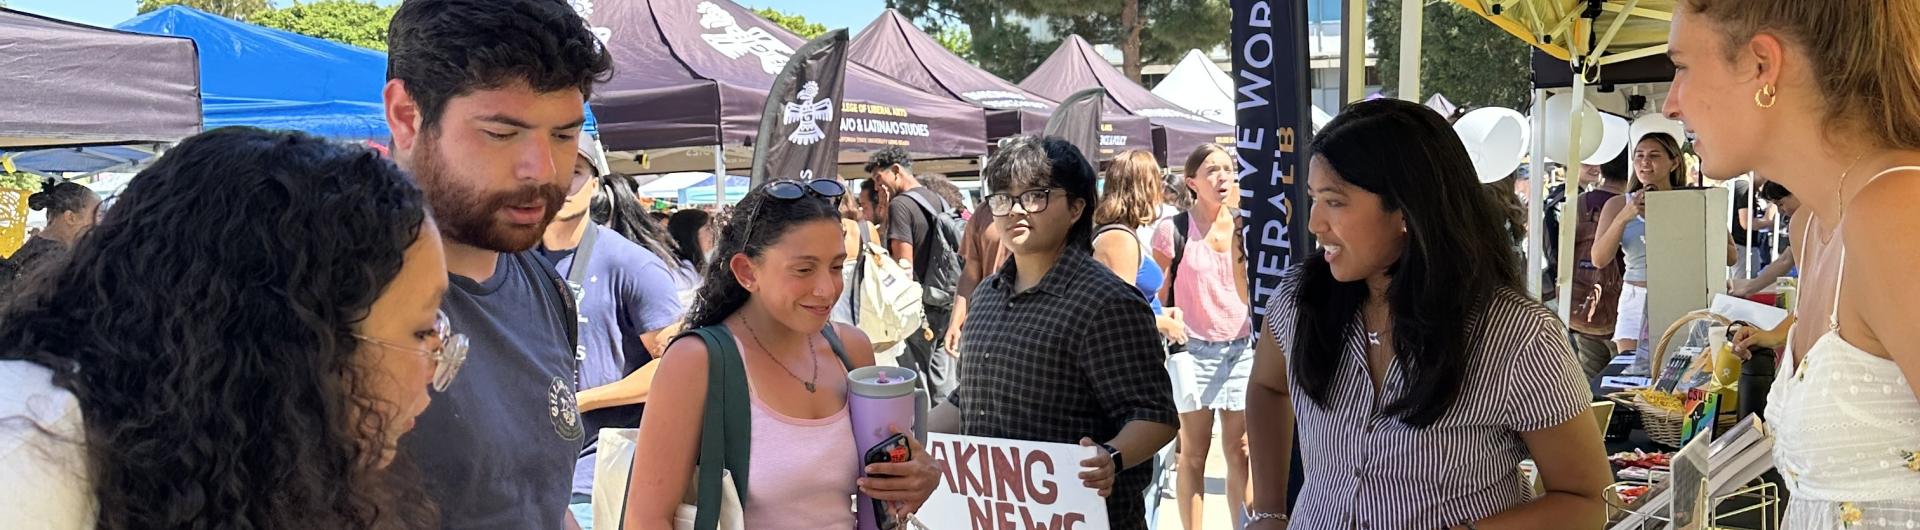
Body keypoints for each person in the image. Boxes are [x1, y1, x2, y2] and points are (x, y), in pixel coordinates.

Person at [0, 127, 454, 528]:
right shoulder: (26, 464)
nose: (437, 366)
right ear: (291, 341)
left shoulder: (232, 448)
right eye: (421, 332)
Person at [1244, 99, 1610, 530]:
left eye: (1335, 202)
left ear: (1406, 209)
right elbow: (1268, 387)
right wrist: (1268, 511)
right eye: (1313, 198)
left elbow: (1590, 500)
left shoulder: (1515, 335)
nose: (1315, 223)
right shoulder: (1299, 299)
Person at [1669, 1, 1920, 525]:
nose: (1672, 104)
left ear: (1761, 64)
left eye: (1683, 67)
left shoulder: (1897, 211)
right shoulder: (1813, 227)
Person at [380, 0, 613, 527]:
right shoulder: (333, 293)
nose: (542, 169)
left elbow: (541, 502)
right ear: (406, 116)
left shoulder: (545, 287)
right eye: (502, 134)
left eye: (564, 135)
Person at [621, 179, 940, 528]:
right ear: (746, 272)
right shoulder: (699, 361)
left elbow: (880, 490)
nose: (827, 289)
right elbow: (646, 518)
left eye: (836, 267)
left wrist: (920, 477)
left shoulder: (851, 349)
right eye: (804, 269)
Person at [929, 135, 1179, 530]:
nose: (1015, 210)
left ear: (1077, 207)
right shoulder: (987, 295)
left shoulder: (1107, 302)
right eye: (1002, 198)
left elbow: (1156, 415)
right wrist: (909, 433)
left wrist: (1111, 457)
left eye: (1035, 196)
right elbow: (971, 399)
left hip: (1089, 518)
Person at [540, 136, 688, 530]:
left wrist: (582, 401)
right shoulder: (514, 261)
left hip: (599, 477)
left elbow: (678, 367)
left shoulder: (632, 265)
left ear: (594, 184)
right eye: (550, 168)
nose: (560, 182)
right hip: (530, 472)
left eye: (574, 171)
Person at [1151, 143, 1255, 530]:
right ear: (1192, 181)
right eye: (1212, 170)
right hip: (1192, 352)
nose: (1222, 177)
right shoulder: (1173, 230)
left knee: (1241, 450)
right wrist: (1167, 324)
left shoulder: (1246, 227)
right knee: (1193, 453)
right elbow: (1154, 298)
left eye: (1228, 168)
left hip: (1242, 349)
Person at [868, 146, 960, 403]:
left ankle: (924, 426)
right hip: (945, 299)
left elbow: (903, 266)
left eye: (878, 178)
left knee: (917, 380)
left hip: (917, 307)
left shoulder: (901, 204)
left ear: (896, 171)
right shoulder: (937, 199)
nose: (876, 187)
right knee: (943, 379)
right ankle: (948, 426)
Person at [1590, 132, 1689, 357]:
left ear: (1674, 163)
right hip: (1635, 297)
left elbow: (1730, 255)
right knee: (1631, 367)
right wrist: (1624, 217)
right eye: (1639, 156)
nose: (1645, 162)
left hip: (1679, 295)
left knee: (1676, 367)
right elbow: (1599, 259)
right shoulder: (1618, 204)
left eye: (1654, 155)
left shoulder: (1691, 201)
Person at [1569, 152, 1630, 378]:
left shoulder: (1578, 203)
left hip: (1582, 305)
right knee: (1621, 379)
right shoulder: (1629, 206)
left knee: (1589, 377)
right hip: (1620, 309)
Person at [0, 180, 99, 299]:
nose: (99, 223)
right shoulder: (56, 258)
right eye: (96, 215)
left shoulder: (39, 245)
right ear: (71, 218)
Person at [667, 208, 715, 302]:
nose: (712, 234)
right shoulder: (681, 274)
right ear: (691, 234)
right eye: (707, 228)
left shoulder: (691, 267)